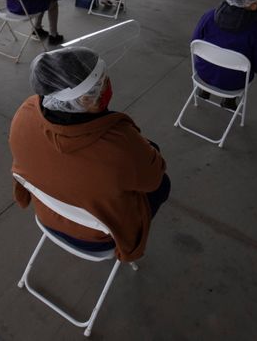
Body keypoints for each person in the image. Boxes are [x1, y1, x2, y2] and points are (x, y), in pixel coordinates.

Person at [10, 46, 170, 261]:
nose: (108, 84)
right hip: (98, 238)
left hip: (47, 215)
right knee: (163, 184)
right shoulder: (119, 143)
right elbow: (153, 178)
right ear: (85, 100)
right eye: (103, 81)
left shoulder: (25, 112)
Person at [191, 0, 257, 109]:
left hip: (203, 73)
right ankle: (229, 99)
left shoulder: (209, 15)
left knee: (218, 59)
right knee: (237, 67)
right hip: (234, 82)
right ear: (250, 3)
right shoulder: (256, 29)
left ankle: (205, 89)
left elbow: (194, 43)